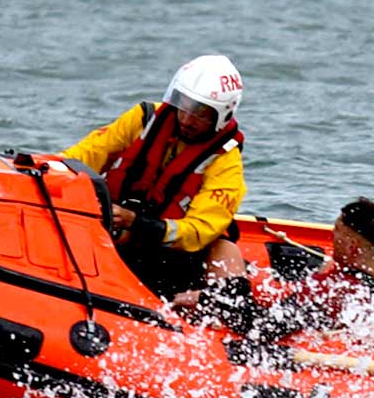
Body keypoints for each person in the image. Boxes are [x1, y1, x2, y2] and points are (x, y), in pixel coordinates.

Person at [61, 55, 249, 301]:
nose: (186, 118)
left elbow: (197, 232)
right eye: (183, 105)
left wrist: (137, 225)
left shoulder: (225, 163)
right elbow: (86, 154)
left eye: (200, 113)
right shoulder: (144, 118)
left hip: (169, 257)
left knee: (226, 250)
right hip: (112, 231)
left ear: (221, 115)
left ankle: (201, 305)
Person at [259, 198, 374, 336]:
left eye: (337, 229)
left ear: (352, 246)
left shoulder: (326, 288)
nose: (332, 235)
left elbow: (267, 326)